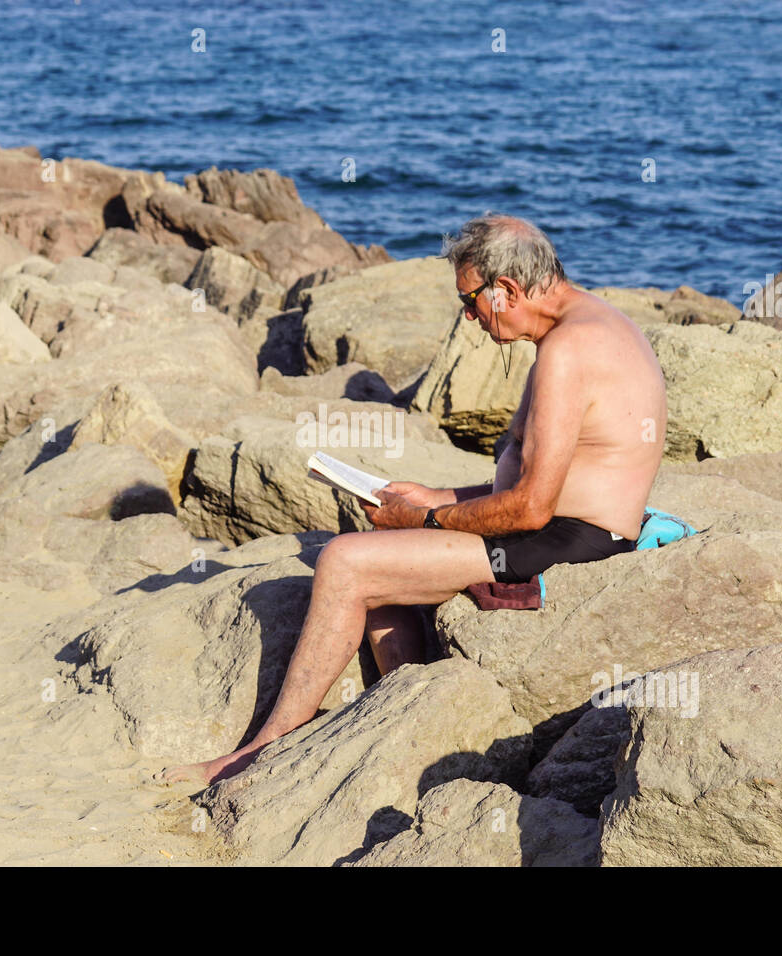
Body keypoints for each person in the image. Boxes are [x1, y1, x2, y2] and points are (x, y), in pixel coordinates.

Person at [157, 212, 668, 786]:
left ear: (507, 290)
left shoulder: (570, 350)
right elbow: (542, 482)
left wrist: (425, 515)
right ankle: (413, 703)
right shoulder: (586, 326)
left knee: (345, 563)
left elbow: (531, 509)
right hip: (561, 527)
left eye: (470, 301)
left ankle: (264, 749)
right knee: (384, 545)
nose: (468, 316)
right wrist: (435, 496)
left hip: (570, 543)